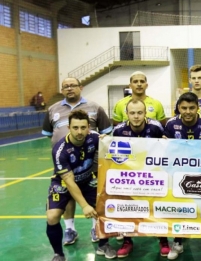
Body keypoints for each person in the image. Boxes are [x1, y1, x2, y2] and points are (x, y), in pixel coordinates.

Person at [42, 77, 113, 245]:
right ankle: (69, 229)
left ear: (80, 87)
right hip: (65, 161)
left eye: (72, 85)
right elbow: (48, 133)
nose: (69, 88)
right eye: (65, 86)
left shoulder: (94, 107)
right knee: (69, 194)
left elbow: (107, 134)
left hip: (92, 165)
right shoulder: (53, 109)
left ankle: (95, 227)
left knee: (96, 198)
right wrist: (64, 149)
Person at [46, 110, 116, 261]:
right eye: (75, 128)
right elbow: (70, 182)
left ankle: (103, 245)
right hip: (63, 183)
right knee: (52, 217)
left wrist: (107, 140)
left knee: (103, 207)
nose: (79, 132)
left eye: (83, 128)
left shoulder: (94, 138)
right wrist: (84, 205)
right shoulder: (60, 150)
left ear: (89, 127)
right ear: (69, 128)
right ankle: (58, 254)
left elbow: (114, 148)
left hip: (87, 179)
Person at [163, 92, 201, 259]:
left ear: (198, 108)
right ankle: (178, 242)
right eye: (184, 108)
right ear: (178, 108)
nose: (188, 111)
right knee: (181, 209)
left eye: (191, 108)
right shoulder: (171, 124)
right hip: (180, 175)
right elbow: (162, 148)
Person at [110, 99, 166, 258]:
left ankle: (163, 239)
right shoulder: (119, 130)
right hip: (131, 176)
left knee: (157, 206)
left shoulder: (155, 127)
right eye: (132, 113)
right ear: (126, 114)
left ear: (145, 113)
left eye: (139, 113)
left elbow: (166, 147)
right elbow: (114, 154)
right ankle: (127, 240)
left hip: (153, 174)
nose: (136, 116)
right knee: (128, 207)